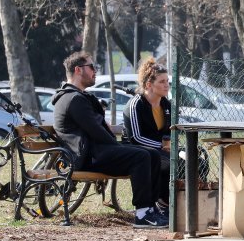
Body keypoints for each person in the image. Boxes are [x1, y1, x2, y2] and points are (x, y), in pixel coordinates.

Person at [53, 52, 165, 228]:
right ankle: (142, 214)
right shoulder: (73, 99)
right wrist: (118, 146)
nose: (95, 71)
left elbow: (97, 128)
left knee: (152, 154)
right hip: (87, 157)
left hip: (95, 152)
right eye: (91, 67)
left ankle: (151, 209)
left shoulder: (78, 96)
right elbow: (96, 131)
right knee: (141, 156)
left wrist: (117, 145)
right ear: (77, 70)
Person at [123, 58, 172, 218]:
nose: (167, 85)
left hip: (162, 149)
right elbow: (136, 137)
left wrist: (172, 145)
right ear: (149, 85)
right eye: (162, 81)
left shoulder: (166, 104)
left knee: (194, 158)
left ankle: (172, 203)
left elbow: (170, 131)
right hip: (139, 151)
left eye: (167, 81)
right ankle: (162, 204)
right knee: (169, 160)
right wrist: (161, 146)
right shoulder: (136, 104)